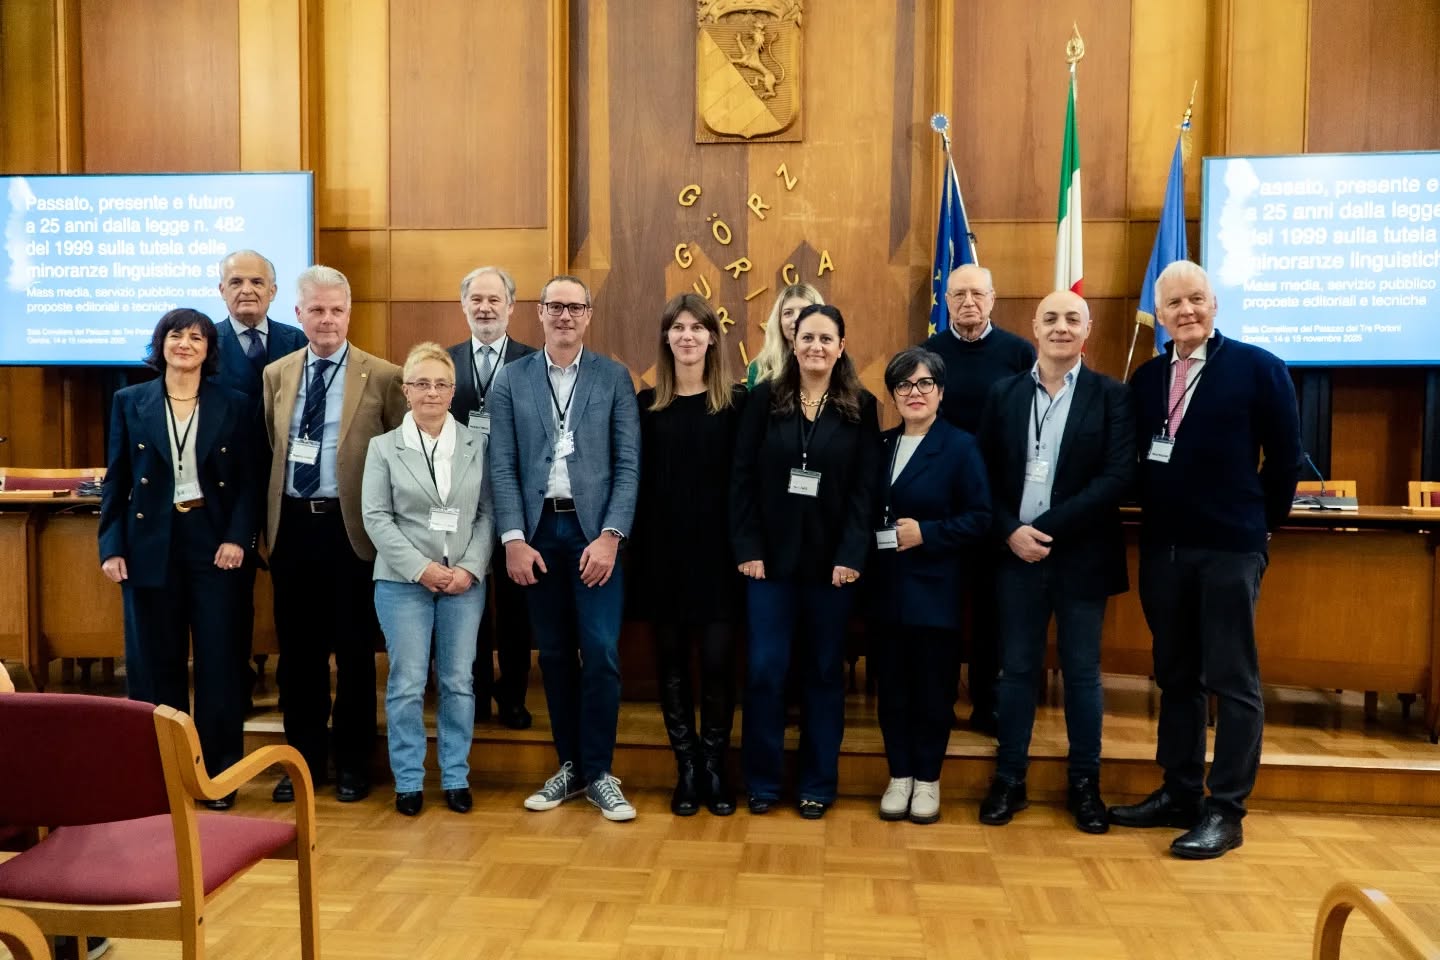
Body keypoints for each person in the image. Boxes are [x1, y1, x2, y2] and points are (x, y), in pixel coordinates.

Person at [1111, 260, 1302, 859]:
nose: (1186, 312)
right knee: (1175, 676)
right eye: (1174, 305)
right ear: (1160, 316)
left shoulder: (1256, 367)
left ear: (1214, 304)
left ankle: (1226, 810)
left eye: (1196, 300)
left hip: (1229, 549)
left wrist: (1257, 527)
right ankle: (1180, 792)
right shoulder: (1145, 380)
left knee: (1232, 679)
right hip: (1164, 548)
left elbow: (1287, 460)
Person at [975, 290, 1135, 834]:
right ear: (1033, 328)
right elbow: (984, 478)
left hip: (1081, 557)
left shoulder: (1112, 396)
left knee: (1083, 674)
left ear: (1086, 330)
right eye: (1051, 318)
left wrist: (1044, 529)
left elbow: (1116, 478)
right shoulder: (1003, 395)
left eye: (1072, 318)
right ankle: (1009, 779)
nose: (1061, 327)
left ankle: (1085, 785)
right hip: (1014, 556)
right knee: (1016, 671)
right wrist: (1009, 533)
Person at [487, 274, 641, 821]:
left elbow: (628, 465)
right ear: (539, 313)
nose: (565, 316)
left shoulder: (614, 377)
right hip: (537, 536)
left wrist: (611, 535)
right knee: (550, 654)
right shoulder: (511, 380)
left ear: (589, 315)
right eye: (555, 306)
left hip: (593, 534)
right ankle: (569, 766)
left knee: (599, 651)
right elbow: (500, 465)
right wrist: (512, 539)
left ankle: (599, 771)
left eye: (575, 308)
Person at [98, 308, 257, 809]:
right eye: (175, 335)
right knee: (153, 665)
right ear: (160, 343)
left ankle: (218, 776)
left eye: (196, 337)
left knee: (219, 662)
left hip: (214, 545)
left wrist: (238, 537)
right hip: (150, 545)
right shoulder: (130, 401)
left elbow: (251, 483)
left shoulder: (235, 403)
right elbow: (118, 478)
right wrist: (111, 545)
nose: (185, 344)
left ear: (210, 349)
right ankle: (157, 778)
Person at [262, 265, 406, 805]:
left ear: (350, 314)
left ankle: (352, 764)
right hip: (293, 529)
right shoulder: (276, 375)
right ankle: (300, 765)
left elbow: (398, 460)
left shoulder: (384, 376)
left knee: (352, 654)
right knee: (297, 658)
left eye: (337, 310)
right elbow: (268, 455)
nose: (327, 320)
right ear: (298, 314)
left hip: (353, 534)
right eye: (316, 310)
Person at [731, 303, 879, 819]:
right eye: (807, 337)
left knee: (822, 673)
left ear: (841, 346)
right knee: (766, 671)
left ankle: (818, 782)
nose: (816, 346)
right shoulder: (762, 400)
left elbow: (866, 491)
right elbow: (742, 479)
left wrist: (852, 556)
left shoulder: (861, 405)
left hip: (832, 568)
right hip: (767, 566)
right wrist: (747, 548)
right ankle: (764, 782)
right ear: (792, 343)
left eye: (826, 338)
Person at [363, 343, 493, 816]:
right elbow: (376, 518)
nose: (431, 392)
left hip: (463, 584)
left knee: (459, 681)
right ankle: (409, 780)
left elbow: (487, 514)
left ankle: (456, 776)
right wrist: (422, 568)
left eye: (440, 384)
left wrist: (469, 569)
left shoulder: (478, 444)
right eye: (421, 383)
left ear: (453, 391)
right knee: (407, 683)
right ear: (406, 389)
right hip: (402, 584)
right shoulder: (383, 448)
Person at [634, 293, 747, 816]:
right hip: (664, 558)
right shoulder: (645, 407)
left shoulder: (738, 405)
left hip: (722, 560)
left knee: (720, 667)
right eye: (677, 327)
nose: (687, 336)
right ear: (665, 338)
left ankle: (713, 766)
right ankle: (686, 769)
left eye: (697, 328)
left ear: (711, 338)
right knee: (673, 666)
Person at [869, 348, 990, 825]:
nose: (914, 393)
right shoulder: (880, 446)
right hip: (884, 592)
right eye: (904, 385)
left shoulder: (961, 446)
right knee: (892, 691)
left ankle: (928, 780)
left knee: (933, 693)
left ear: (940, 391)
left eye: (924, 384)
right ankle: (899, 777)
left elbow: (980, 518)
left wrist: (929, 533)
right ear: (893, 395)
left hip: (935, 592)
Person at [920, 264, 1035, 734]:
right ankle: (939, 702)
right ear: (945, 302)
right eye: (957, 295)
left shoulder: (1017, 352)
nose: (967, 302)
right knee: (944, 607)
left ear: (993, 298)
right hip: (941, 501)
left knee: (992, 611)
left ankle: (987, 702)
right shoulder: (928, 352)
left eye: (976, 294)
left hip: (997, 500)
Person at [209, 249, 307, 702]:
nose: (246, 290)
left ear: (273, 291)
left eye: (256, 282)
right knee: (231, 595)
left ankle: (294, 686)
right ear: (221, 291)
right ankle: (237, 684)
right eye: (236, 282)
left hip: (291, 486)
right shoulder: (204, 341)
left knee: (293, 592)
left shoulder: (298, 340)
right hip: (228, 491)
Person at [447, 266, 537, 730]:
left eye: (494, 300)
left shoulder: (534, 361)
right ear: (464, 306)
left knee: (517, 606)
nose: (485, 308)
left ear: (511, 307)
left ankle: (514, 694)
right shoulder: (444, 363)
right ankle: (476, 692)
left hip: (517, 501)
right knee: (470, 601)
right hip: (459, 504)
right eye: (476, 299)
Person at [745, 282, 824, 388]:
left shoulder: (833, 365)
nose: (796, 319)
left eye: (805, 311)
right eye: (788, 313)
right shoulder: (759, 368)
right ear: (779, 321)